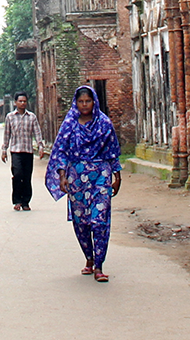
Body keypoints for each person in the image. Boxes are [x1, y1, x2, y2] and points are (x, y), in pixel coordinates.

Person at [46, 85, 122, 282]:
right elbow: (61, 151)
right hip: (77, 179)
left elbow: (112, 150)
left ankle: (99, 265)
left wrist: (117, 176)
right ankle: (88, 257)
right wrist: (62, 176)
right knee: (81, 223)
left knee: (100, 220)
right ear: (76, 103)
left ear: (94, 101)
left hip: (100, 175)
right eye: (81, 101)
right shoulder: (70, 124)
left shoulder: (104, 123)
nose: (84, 105)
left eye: (88, 101)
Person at [1, 93, 39, 211]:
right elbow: (7, 134)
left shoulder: (32, 117)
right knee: (17, 175)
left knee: (27, 177)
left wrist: (40, 146)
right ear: (15, 102)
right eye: (20, 101)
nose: (22, 103)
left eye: (24, 101)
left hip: (28, 151)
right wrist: (4, 150)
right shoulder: (10, 117)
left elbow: (37, 132)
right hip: (15, 151)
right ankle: (17, 200)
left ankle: (26, 202)